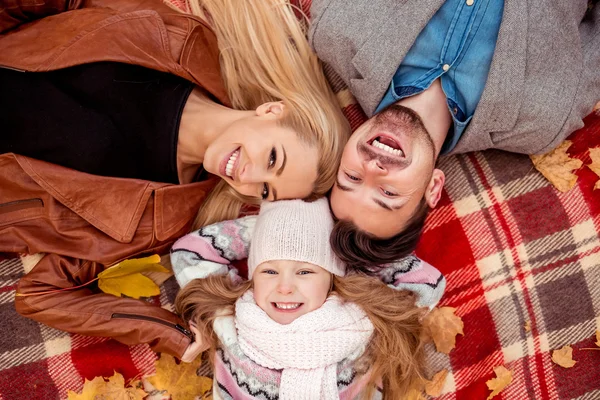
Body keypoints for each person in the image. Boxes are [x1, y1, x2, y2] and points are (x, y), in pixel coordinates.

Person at [2, 0, 349, 360]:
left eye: (265, 190)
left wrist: (171, 333)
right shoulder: (184, 38)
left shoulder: (156, 220)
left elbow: (40, 293)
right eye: (273, 158)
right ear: (273, 112)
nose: (248, 177)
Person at [308, 0, 600, 268]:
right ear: (433, 188)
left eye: (352, 178)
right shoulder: (543, 119)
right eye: (387, 192)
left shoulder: (336, 27)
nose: (373, 167)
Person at [171, 198, 446, 398]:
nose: (285, 286)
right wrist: (267, 225)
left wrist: (347, 248)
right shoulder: (230, 321)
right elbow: (189, 252)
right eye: (269, 270)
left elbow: (426, 282)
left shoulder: (363, 325)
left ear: (331, 280)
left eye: (304, 271)